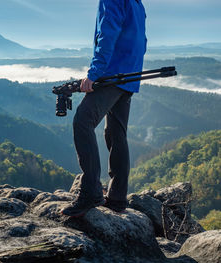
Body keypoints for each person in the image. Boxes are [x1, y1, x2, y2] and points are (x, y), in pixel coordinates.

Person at [61, 0, 147, 217]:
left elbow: (107, 33)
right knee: (116, 133)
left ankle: (91, 192)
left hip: (112, 74)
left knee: (83, 121)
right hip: (129, 76)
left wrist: (94, 74)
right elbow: (141, 40)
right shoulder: (137, 2)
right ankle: (117, 198)